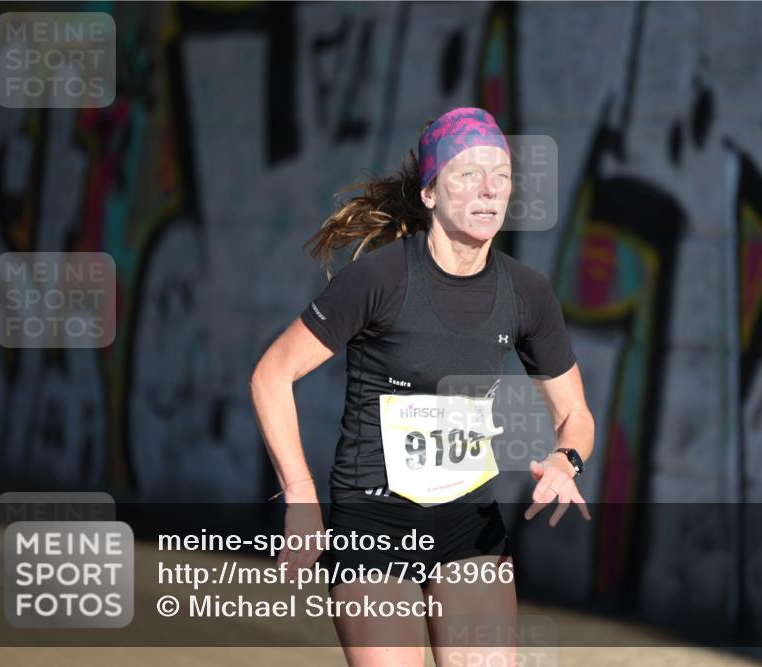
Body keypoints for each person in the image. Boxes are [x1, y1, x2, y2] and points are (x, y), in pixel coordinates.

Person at [250, 107, 594, 667]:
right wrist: (300, 495)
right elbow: (271, 375)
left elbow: (575, 414)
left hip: (468, 526)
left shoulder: (527, 293)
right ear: (431, 192)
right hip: (373, 522)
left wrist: (566, 460)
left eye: (501, 175)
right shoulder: (380, 279)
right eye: (467, 174)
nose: (489, 189)